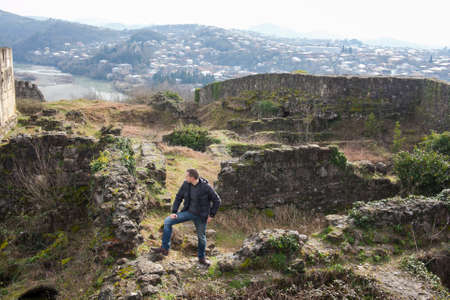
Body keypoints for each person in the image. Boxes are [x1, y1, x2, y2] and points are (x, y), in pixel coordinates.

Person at [151, 168, 221, 266]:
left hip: (201, 216)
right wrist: (174, 211)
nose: (185, 177)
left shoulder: (206, 187)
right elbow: (178, 197)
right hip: (188, 212)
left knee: (201, 237)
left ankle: (201, 258)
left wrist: (212, 215)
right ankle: (164, 249)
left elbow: (217, 200)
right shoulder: (186, 184)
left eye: (186, 176)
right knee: (168, 221)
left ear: (192, 178)